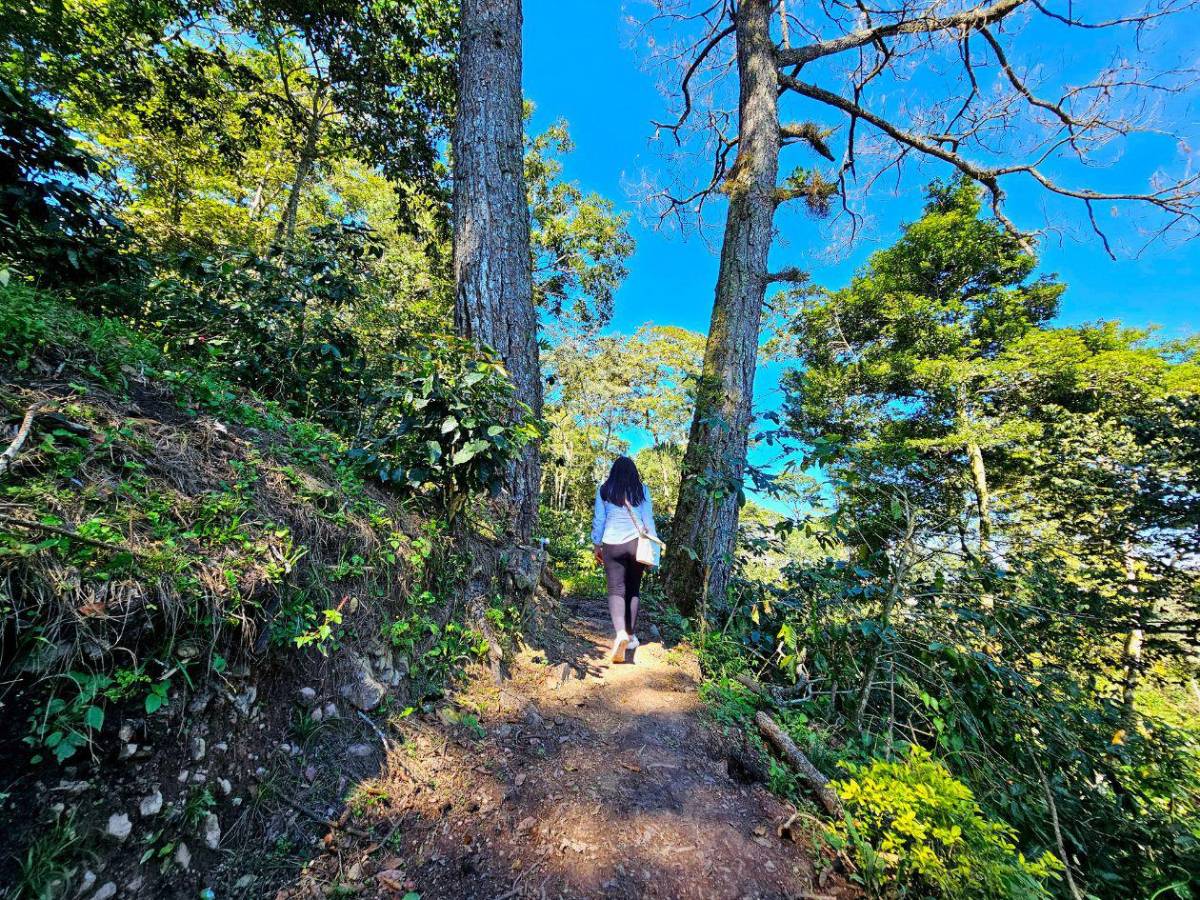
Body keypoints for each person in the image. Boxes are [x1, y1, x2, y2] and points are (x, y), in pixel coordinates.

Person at [591, 456, 659, 662]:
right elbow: (648, 519)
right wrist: (653, 551)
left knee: (616, 590)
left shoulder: (604, 489)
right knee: (633, 589)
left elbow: (599, 519)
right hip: (637, 543)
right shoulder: (642, 490)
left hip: (612, 542)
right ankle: (630, 636)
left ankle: (620, 632)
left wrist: (596, 543)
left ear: (613, 471)